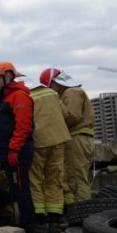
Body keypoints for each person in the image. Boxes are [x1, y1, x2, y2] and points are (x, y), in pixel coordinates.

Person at [0, 62, 38, 233]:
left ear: (9, 76)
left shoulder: (19, 96)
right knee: (16, 190)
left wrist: (14, 150)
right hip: (9, 154)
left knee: (22, 189)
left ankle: (28, 227)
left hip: (18, 153)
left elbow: (23, 126)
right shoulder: (5, 97)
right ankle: (22, 223)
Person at [40, 68, 95, 204]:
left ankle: (82, 213)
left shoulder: (71, 92)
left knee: (76, 179)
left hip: (76, 139)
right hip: (81, 138)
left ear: (56, 82)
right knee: (76, 177)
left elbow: (72, 115)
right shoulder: (75, 91)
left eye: (50, 86)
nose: (51, 90)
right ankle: (77, 212)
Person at [29, 76, 72, 233]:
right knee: (55, 179)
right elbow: (66, 113)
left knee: (36, 180)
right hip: (58, 139)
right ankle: (55, 222)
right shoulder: (52, 94)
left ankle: (41, 223)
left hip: (38, 141)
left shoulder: (27, 96)